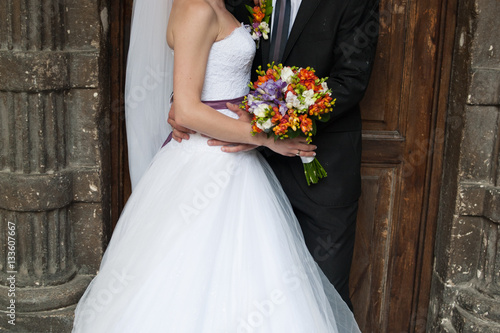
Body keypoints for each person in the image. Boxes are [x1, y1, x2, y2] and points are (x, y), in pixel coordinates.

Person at [72, 0, 360, 331]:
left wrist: (270, 125)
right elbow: (188, 111)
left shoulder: (223, 4)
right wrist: (266, 137)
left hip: (238, 161)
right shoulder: (196, 8)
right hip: (210, 163)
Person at [169, 0, 380, 310]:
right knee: (244, 295)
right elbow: (208, 52)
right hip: (240, 174)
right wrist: (182, 102)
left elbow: (349, 81)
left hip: (320, 170)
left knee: (322, 300)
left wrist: (270, 127)